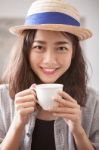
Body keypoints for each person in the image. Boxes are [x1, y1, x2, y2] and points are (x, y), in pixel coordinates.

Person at [0, 0, 99, 150]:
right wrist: (17, 123)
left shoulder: (92, 100)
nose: (50, 60)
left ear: (73, 53)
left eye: (61, 48)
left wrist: (77, 130)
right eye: (39, 47)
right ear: (26, 51)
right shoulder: (2, 99)